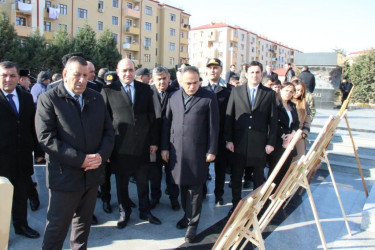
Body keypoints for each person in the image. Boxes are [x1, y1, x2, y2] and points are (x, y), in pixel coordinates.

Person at [35, 56, 115, 249]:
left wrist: (101, 156)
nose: (81, 80)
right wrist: (81, 160)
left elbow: (109, 132)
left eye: (85, 76)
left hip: (92, 174)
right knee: (57, 228)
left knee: (82, 227)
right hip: (65, 177)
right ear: (64, 74)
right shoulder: (49, 99)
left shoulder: (96, 98)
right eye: (76, 75)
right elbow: (46, 138)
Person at [161, 66, 219, 243]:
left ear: (199, 81)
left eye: (195, 83)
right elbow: (166, 124)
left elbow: (214, 127)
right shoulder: (173, 97)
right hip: (177, 151)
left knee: (195, 190)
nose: (192, 86)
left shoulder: (208, 97)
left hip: (198, 152)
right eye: (188, 83)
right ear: (180, 82)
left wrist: (212, 150)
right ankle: (186, 216)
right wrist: (164, 147)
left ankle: (192, 226)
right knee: (182, 186)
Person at [101, 58, 161, 229]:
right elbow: (103, 122)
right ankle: (124, 212)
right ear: (118, 72)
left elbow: (152, 117)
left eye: (131, 70)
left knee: (143, 181)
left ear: (135, 71)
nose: (128, 73)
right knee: (122, 183)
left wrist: (154, 141)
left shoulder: (145, 89)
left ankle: (145, 210)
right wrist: (106, 149)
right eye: (124, 70)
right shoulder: (108, 90)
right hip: (119, 148)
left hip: (142, 146)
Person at [225, 61, 277, 214]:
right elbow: (229, 116)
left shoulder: (269, 94)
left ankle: (256, 207)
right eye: (252, 72)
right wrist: (228, 139)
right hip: (239, 141)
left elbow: (273, 120)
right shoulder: (236, 91)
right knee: (236, 177)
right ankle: (235, 206)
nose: (255, 75)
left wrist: (271, 142)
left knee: (258, 178)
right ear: (246, 74)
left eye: (258, 72)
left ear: (262, 74)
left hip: (259, 143)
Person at [0, 61, 42, 239]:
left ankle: (21, 226)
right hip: (1, 159)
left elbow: (33, 126)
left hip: (23, 157)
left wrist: (39, 151)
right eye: (4, 75)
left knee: (20, 195)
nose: (8, 79)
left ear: (19, 78)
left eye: (12, 76)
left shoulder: (25, 97)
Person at [202, 58, 232, 205]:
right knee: (202, 166)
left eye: (216, 67)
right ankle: (201, 192)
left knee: (220, 168)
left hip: (221, 136)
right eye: (210, 67)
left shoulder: (229, 89)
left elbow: (231, 115)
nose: (213, 70)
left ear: (221, 70)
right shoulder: (200, 88)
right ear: (206, 70)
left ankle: (219, 194)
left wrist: (228, 137)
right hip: (203, 136)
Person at [149, 66, 180, 210]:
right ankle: (155, 197)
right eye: (158, 79)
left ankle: (174, 198)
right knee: (154, 174)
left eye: (164, 78)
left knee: (171, 173)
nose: (162, 82)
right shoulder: (148, 93)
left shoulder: (176, 94)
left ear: (169, 78)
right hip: (153, 143)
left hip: (171, 141)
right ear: (153, 80)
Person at [267, 82, 299, 187]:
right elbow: (272, 122)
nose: (288, 94)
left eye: (291, 92)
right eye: (286, 90)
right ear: (281, 89)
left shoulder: (292, 105)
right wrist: (283, 135)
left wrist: (292, 135)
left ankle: (279, 198)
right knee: (274, 172)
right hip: (277, 142)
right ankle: (268, 199)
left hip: (290, 142)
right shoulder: (274, 103)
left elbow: (296, 123)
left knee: (285, 171)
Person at [291, 79, 311, 162]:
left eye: (301, 91)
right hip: (287, 136)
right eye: (297, 90)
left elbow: (307, 121)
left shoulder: (304, 104)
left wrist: (304, 134)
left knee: (298, 162)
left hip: (299, 137)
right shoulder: (285, 102)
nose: (298, 92)